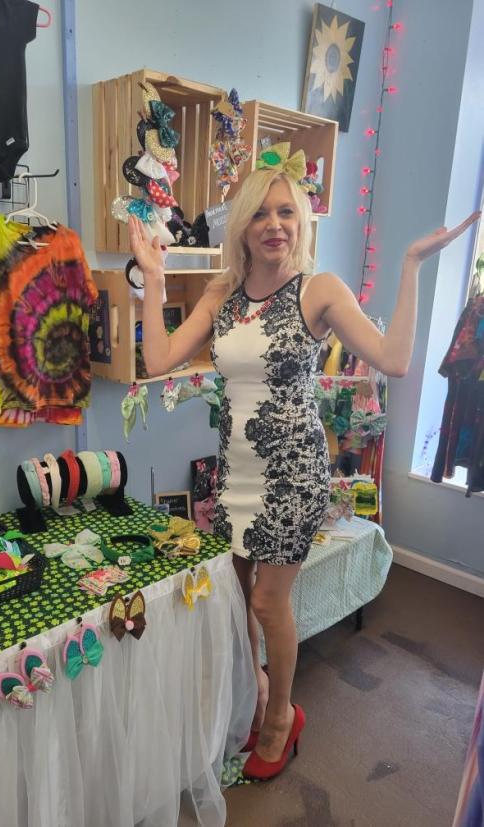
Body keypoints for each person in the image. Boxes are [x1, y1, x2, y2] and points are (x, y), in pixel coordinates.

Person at [128, 153, 480, 782]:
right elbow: (157, 359)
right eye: (261, 213)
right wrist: (154, 280)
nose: (275, 224)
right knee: (236, 599)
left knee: (268, 603)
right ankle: (256, 691)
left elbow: (395, 359)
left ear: (302, 221)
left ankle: (280, 718)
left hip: (292, 474)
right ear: (242, 225)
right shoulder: (223, 293)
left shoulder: (317, 290)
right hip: (235, 471)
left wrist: (410, 266)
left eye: (286, 212)